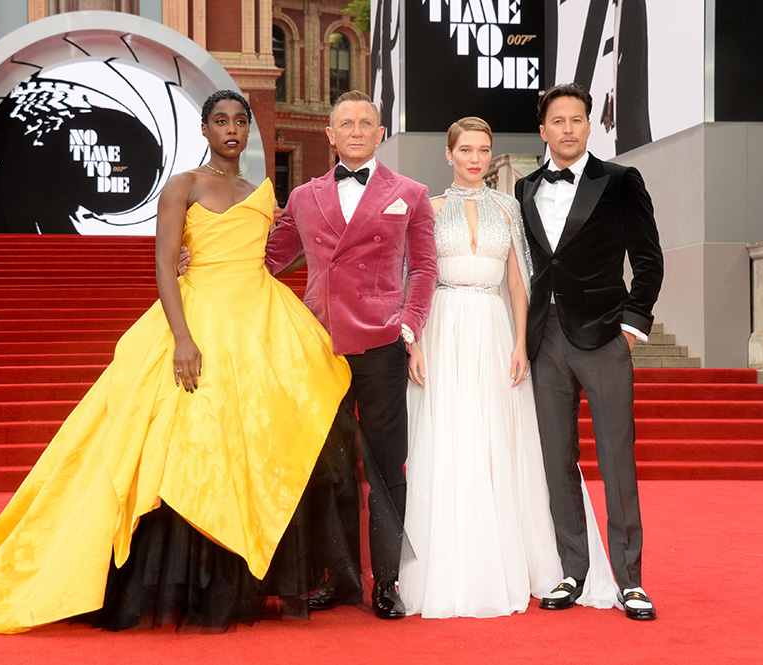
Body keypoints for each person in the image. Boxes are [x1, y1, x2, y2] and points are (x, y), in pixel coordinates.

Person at [0, 90, 354, 633]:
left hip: (260, 327)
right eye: (219, 121)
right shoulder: (181, 185)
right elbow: (164, 268)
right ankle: (173, 582)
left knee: (251, 446)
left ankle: (240, 580)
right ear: (204, 129)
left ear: (249, 130)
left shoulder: (261, 192)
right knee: (181, 447)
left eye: (239, 121)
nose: (230, 130)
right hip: (198, 322)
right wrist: (182, 338)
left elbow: (278, 251)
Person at [398, 117, 618, 618]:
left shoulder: (509, 207)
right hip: (443, 327)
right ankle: (447, 565)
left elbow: (520, 283)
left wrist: (521, 343)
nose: (475, 159)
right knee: (450, 438)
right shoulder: (427, 208)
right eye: (466, 150)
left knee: (500, 437)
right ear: (448, 155)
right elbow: (418, 279)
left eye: (483, 150)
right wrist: (416, 344)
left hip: (496, 331)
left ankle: (522, 560)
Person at [264, 90, 438, 619]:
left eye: (367, 122)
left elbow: (425, 268)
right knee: (330, 469)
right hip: (319, 350)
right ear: (330, 134)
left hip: (382, 346)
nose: (358, 129)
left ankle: (386, 582)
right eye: (347, 122)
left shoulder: (411, 192)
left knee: (386, 467)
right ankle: (338, 580)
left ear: (380, 133)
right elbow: (268, 262)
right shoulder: (302, 197)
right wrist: (202, 256)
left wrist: (409, 324)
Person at [514, 83, 664, 620]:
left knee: (617, 459)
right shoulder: (524, 187)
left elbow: (649, 260)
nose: (569, 128)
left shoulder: (621, 182)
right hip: (545, 339)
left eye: (578, 119)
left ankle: (631, 580)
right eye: (559, 121)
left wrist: (630, 326)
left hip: (604, 336)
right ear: (543, 129)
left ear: (588, 126)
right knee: (556, 460)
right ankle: (572, 571)